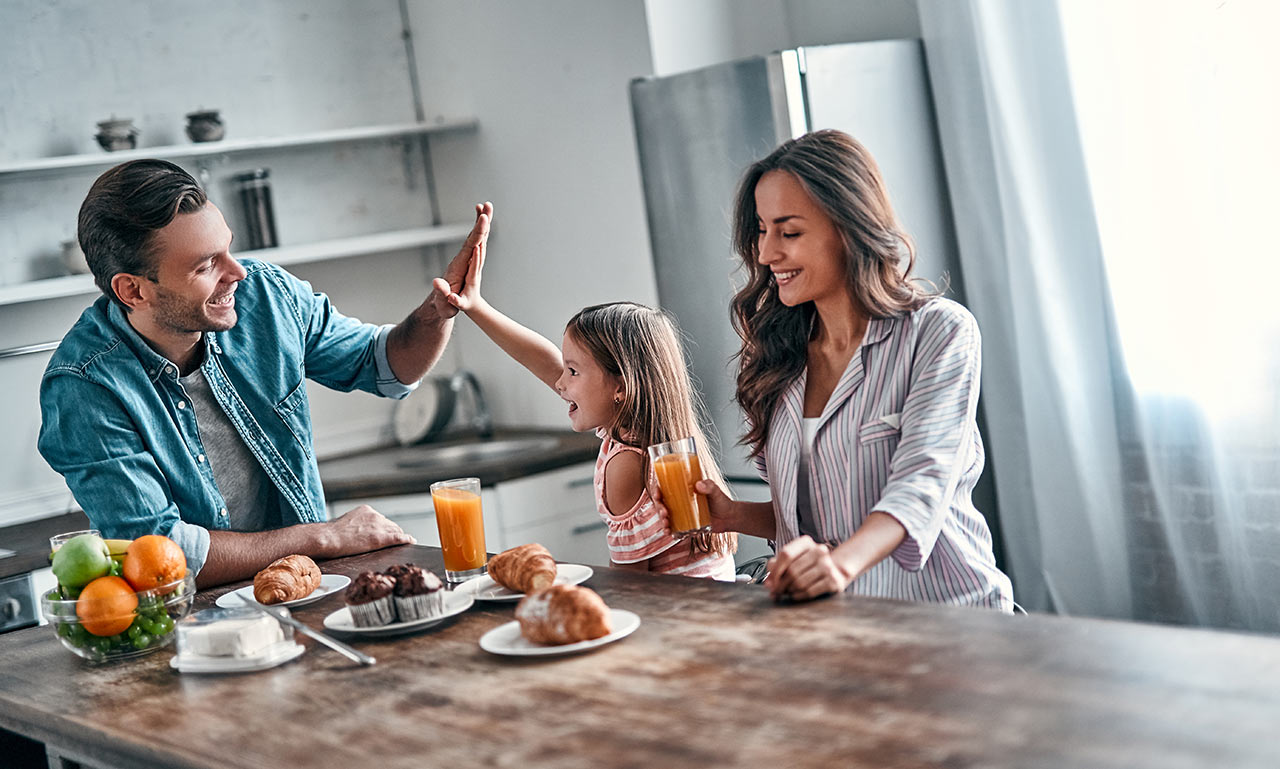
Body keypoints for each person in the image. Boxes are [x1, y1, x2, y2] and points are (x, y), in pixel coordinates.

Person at [37, 159, 492, 588]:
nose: (236, 273)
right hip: (196, 628)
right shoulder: (84, 386)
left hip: (306, 590)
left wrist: (438, 311)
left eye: (228, 249)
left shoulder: (266, 295)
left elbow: (385, 364)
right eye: (205, 265)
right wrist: (324, 537)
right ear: (132, 290)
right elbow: (160, 555)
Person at [687, 129, 1014, 608]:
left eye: (789, 231)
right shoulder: (780, 358)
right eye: (761, 229)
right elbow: (818, 517)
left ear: (848, 227)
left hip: (948, 619)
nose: (765, 253)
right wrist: (734, 515)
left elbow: (920, 485)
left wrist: (838, 566)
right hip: (838, 626)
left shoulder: (938, 332)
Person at [433, 225, 737, 579]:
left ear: (620, 387)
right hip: (711, 597)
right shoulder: (641, 434)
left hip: (683, 619)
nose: (560, 381)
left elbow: (630, 585)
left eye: (573, 371)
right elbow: (542, 359)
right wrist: (476, 307)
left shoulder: (626, 464)